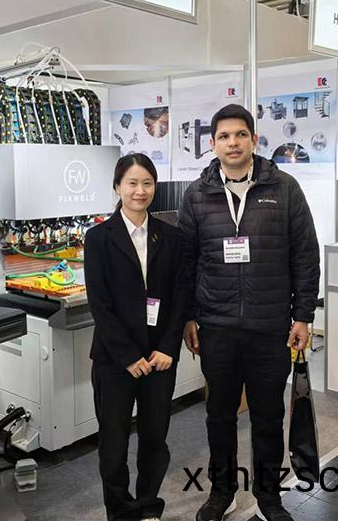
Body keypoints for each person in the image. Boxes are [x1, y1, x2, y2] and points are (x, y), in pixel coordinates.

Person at [179, 104, 320, 521]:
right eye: (224, 136)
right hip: (217, 327)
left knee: (267, 416)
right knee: (219, 416)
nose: (233, 143)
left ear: (254, 140)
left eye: (240, 135)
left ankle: (269, 497)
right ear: (212, 144)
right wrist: (189, 317)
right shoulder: (197, 195)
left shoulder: (285, 188)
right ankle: (221, 493)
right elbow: (186, 263)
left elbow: (305, 256)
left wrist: (303, 316)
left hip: (269, 326)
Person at [85, 154, 186, 521]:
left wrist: (168, 348)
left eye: (147, 183)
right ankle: (120, 511)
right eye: (132, 183)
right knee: (113, 443)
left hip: (159, 358)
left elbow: (179, 297)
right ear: (117, 187)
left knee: (154, 439)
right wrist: (127, 356)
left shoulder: (171, 237)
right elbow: (100, 305)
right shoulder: (99, 238)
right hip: (115, 360)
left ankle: (147, 507)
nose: (139, 191)